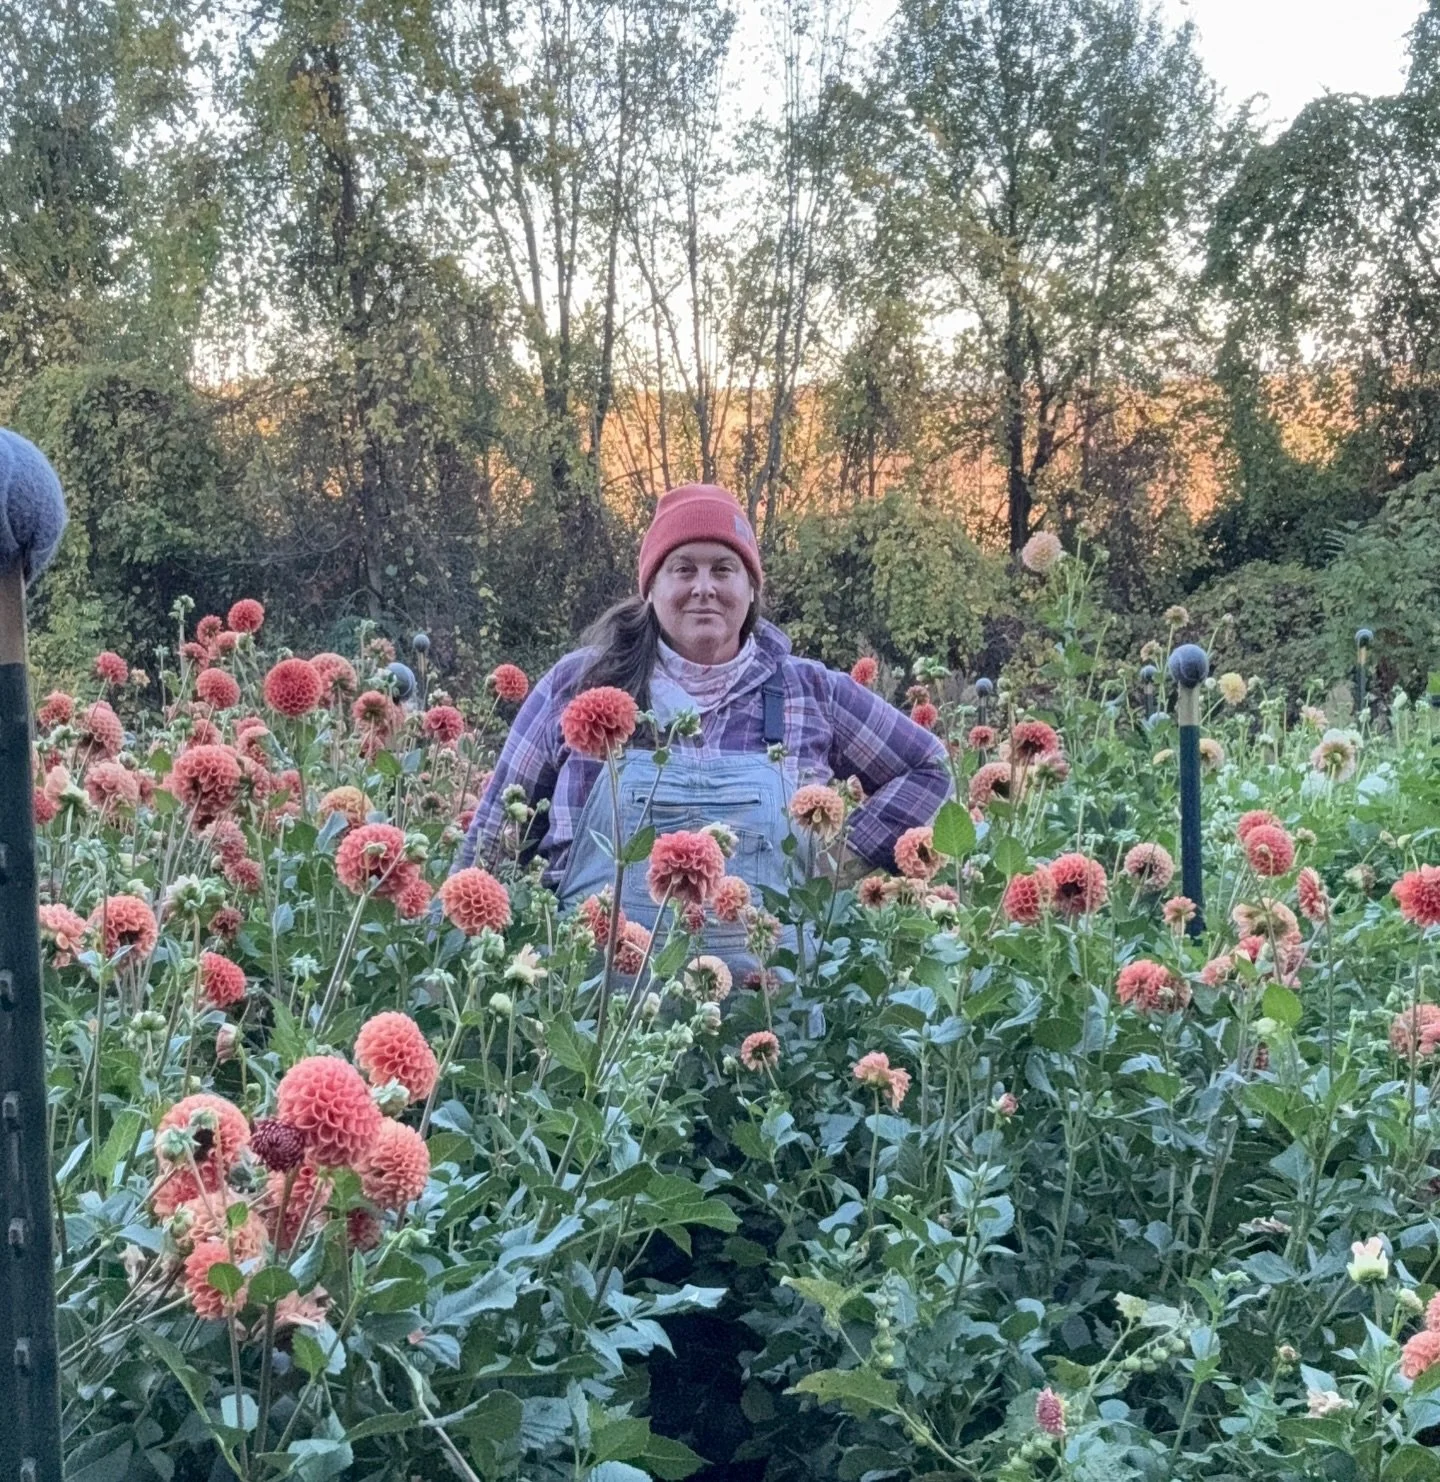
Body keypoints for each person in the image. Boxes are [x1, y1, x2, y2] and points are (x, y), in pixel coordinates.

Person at [458, 483, 951, 962]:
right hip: (592, 1023)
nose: (703, 588)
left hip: (778, 1025)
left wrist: (844, 862)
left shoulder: (810, 692)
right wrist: (455, 966)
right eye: (682, 568)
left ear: (751, 587)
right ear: (651, 587)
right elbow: (491, 840)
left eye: (723, 569)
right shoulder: (579, 685)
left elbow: (929, 766)